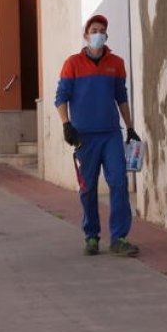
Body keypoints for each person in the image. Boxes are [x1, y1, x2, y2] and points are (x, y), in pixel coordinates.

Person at [55, 15, 143, 257]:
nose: (98, 34)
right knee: (88, 187)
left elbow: (121, 97)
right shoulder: (72, 64)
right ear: (86, 35)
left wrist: (130, 127)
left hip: (111, 134)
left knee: (119, 182)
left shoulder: (116, 63)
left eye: (102, 30)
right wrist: (66, 125)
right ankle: (91, 236)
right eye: (94, 30)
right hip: (84, 137)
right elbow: (61, 97)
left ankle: (119, 237)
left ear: (106, 35)